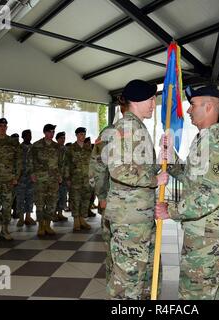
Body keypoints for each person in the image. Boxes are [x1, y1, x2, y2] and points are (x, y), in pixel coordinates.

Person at [155, 85, 219, 300]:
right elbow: (191, 177)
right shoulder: (204, 140)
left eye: (192, 105)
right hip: (213, 232)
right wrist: (170, 156)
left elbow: (211, 195)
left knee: (195, 293)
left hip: (208, 236)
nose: (189, 110)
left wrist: (171, 210)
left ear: (209, 107)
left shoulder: (215, 145)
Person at [105, 79, 168, 300]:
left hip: (139, 217)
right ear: (136, 100)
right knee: (127, 280)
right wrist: (154, 179)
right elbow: (118, 170)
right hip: (128, 219)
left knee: (143, 276)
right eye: (150, 99)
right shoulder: (125, 128)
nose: (154, 103)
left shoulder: (138, 128)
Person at [89, 101, 129, 284]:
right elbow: (97, 167)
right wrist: (102, 195)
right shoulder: (109, 133)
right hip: (114, 200)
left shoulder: (141, 134)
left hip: (136, 206)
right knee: (114, 247)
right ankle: (115, 289)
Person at [28, 124, 63, 237]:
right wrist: (32, 173)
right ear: (44, 132)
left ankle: (48, 225)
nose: (51, 134)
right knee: (40, 203)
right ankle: (41, 226)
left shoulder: (57, 147)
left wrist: (60, 175)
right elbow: (30, 161)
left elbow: (61, 163)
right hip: (40, 179)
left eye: (53, 132)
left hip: (53, 179)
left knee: (52, 203)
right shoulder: (36, 145)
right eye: (49, 132)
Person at [64, 127, 92, 231]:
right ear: (76, 135)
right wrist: (67, 178)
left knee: (85, 199)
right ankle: (76, 220)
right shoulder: (71, 148)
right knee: (75, 199)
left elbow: (92, 164)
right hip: (75, 178)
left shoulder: (88, 148)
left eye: (84, 134)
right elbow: (66, 164)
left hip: (86, 179)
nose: (82, 136)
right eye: (80, 134)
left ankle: (82, 219)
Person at [15, 129, 36, 227]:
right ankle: (20, 218)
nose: (29, 137)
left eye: (30, 135)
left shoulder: (34, 148)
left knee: (30, 197)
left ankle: (28, 216)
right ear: (23, 137)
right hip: (20, 178)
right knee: (20, 198)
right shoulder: (18, 148)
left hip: (31, 178)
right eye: (27, 135)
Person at [55, 131, 68, 222]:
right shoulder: (54, 148)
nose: (63, 140)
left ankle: (60, 213)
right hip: (55, 177)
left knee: (63, 196)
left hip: (64, 176)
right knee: (55, 196)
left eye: (64, 138)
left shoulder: (66, 149)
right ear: (57, 139)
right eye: (61, 138)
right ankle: (53, 214)